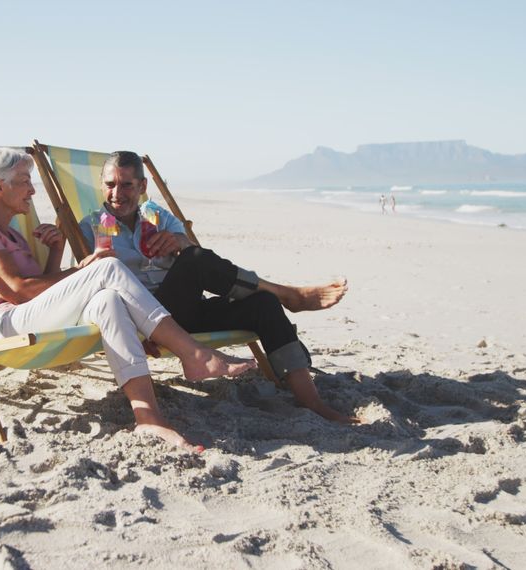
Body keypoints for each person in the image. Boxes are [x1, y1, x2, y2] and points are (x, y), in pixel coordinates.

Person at [0, 147, 256, 451]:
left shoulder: (14, 237)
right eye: (24, 181)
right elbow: (17, 290)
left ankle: (148, 418)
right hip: (0, 326)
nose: (32, 189)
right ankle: (193, 354)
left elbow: (39, 293)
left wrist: (57, 251)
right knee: (108, 267)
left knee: (109, 300)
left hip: (25, 317)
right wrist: (81, 269)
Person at [80, 151, 358, 424]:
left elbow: (207, 266)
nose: (117, 193)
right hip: (142, 322)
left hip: (183, 311)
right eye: (110, 184)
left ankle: (312, 401)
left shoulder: (157, 216)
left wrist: (181, 242)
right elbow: (89, 288)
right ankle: (286, 293)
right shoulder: (91, 227)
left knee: (263, 304)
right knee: (194, 260)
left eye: (127, 185)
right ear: (101, 185)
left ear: (142, 186)